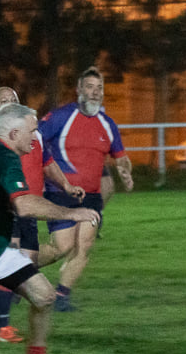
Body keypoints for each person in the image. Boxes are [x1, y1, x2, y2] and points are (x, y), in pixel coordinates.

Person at [0, 103, 101, 354]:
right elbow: (25, 205)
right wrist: (72, 213)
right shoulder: (2, 158)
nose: (36, 137)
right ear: (14, 133)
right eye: (32, 131)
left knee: (44, 296)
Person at [39, 67, 134, 311]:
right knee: (62, 247)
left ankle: (62, 296)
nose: (95, 92)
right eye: (90, 87)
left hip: (91, 196)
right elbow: (33, 141)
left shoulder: (107, 124)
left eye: (99, 88)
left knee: (85, 244)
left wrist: (125, 170)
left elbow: (121, 156)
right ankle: (19, 271)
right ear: (79, 90)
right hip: (61, 191)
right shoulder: (60, 117)